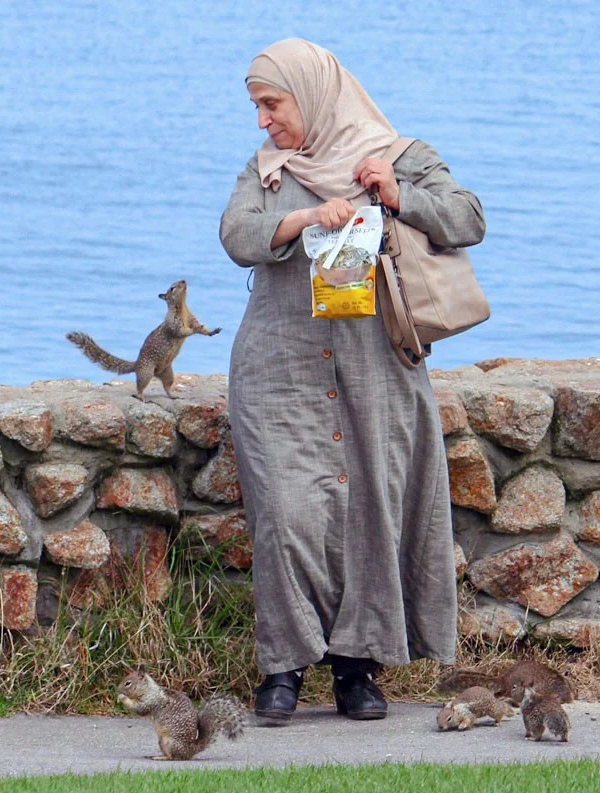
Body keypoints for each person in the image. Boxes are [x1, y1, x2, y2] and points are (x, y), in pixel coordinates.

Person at [219, 38, 485, 723]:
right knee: (286, 513)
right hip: (280, 372)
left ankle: (357, 668)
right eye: (257, 105)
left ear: (311, 94)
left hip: (377, 373)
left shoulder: (401, 155)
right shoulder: (269, 170)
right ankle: (283, 666)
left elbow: (468, 218)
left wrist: (400, 195)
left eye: (271, 104)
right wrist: (306, 217)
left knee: (372, 511)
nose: (262, 120)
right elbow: (236, 233)